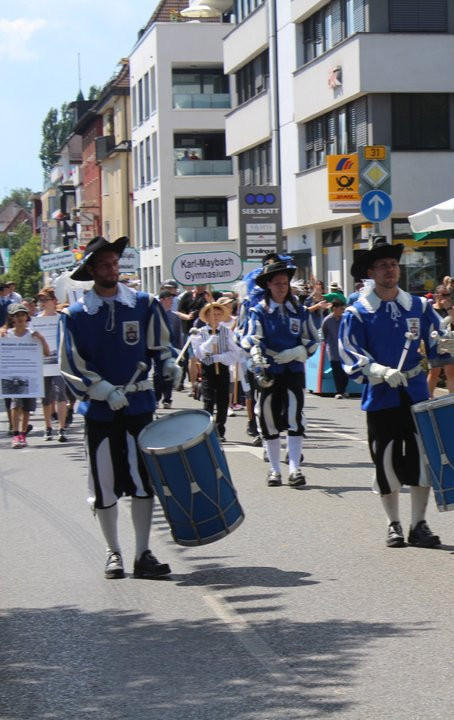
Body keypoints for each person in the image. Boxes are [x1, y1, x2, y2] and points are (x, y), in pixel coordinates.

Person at [59, 236, 181, 580]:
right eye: (106, 265)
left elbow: (159, 345)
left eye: (116, 263)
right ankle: (113, 553)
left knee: (144, 482)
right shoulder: (76, 315)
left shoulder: (143, 303)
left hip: (140, 407)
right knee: (104, 483)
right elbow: (71, 363)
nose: (113, 270)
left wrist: (169, 362)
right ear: (92, 271)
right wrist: (100, 388)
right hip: (100, 412)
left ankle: (143, 554)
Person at [339, 239, 449, 549]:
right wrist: (378, 371)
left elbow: (439, 339)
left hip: (414, 393)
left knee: (420, 459)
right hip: (381, 395)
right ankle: (393, 524)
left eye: (393, 264)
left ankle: (419, 524)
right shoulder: (358, 312)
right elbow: (349, 349)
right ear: (371, 273)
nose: (390, 269)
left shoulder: (418, 306)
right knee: (385, 460)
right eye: (383, 265)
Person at [244, 257, 319, 487]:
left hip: (293, 370)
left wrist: (298, 350)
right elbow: (250, 337)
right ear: (268, 284)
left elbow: (314, 340)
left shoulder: (300, 310)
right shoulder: (260, 310)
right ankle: (275, 470)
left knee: (295, 417)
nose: (281, 287)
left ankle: (295, 469)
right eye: (277, 283)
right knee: (268, 418)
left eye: (285, 282)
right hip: (270, 371)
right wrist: (258, 352)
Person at [192, 300, 245, 440]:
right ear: (207, 316)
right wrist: (210, 342)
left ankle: (220, 430)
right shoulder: (200, 332)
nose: (215, 317)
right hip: (207, 370)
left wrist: (220, 357)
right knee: (208, 400)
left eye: (218, 314)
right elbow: (199, 353)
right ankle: (207, 431)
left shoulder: (226, 332)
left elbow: (235, 353)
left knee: (222, 401)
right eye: (212, 314)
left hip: (222, 369)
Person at [2, 304, 49, 448]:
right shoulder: (7, 334)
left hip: (30, 375)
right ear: (12, 318)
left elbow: (47, 353)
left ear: (26, 317)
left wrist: (41, 338)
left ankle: (23, 434)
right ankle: (15, 434)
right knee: (15, 404)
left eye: (22, 315)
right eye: (17, 315)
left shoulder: (33, 334)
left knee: (27, 408)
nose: (20, 318)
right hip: (13, 375)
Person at [32, 289, 69, 442]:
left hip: (59, 363)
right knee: (46, 398)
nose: (42, 303)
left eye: (45, 300)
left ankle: (62, 428)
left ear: (54, 301)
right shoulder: (35, 321)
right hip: (43, 364)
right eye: (40, 300)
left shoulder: (62, 319)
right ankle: (48, 428)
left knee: (61, 395)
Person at [319, 292, 349, 398]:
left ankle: (343, 389)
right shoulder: (327, 320)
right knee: (336, 372)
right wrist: (325, 343)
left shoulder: (345, 319)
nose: (343, 311)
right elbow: (323, 333)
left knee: (345, 371)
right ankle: (339, 392)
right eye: (341, 309)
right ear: (334, 308)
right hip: (333, 350)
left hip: (345, 350)